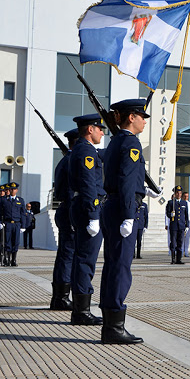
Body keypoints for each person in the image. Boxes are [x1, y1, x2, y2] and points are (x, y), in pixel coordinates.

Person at [100, 98, 159, 344]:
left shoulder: (116, 142)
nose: (145, 121)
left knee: (113, 266)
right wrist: (128, 214)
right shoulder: (131, 143)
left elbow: (123, 177)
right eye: (141, 116)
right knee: (120, 268)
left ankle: (110, 324)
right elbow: (124, 179)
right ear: (131, 117)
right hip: (123, 209)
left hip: (113, 205)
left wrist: (142, 189)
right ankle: (114, 328)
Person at [68, 114, 107, 326]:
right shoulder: (85, 151)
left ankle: (80, 309)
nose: (103, 132)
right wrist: (93, 214)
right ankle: (81, 312)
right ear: (90, 130)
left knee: (82, 259)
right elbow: (87, 183)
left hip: (84, 207)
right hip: (87, 209)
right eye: (100, 128)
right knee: (85, 260)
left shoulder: (84, 149)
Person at [50, 128, 79, 310]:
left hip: (65, 210)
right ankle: (61, 298)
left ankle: (60, 296)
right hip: (70, 211)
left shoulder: (64, 160)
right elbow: (69, 191)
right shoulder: (71, 161)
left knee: (65, 255)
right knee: (68, 256)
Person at [1, 182, 27, 267]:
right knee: (7, 242)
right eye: (11, 189)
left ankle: (14, 260)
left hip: (16, 224)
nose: (12, 190)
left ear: (17, 190)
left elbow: (23, 214)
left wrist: (23, 226)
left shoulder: (20, 200)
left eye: (14, 189)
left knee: (15, 242)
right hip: (7, 223)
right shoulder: (4, 200)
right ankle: (7, 259)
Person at [165, 186, 189, 264]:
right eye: (177, 193)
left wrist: (187, 225)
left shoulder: (184, 203)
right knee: (173, 243)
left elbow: (186, 215)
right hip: (174, 225)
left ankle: (179, 259)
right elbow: (167, 213)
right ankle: (173, 259)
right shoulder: (171, 202)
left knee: (180, 242)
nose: (179, 194)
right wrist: (170, 215)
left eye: (180, 193)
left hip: (181, 225)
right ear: (175, 194)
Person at [181, 192, 190, 257]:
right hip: (182, 222)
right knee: (181, 238)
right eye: (184, 196)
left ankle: (186, 251)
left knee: (187, 238)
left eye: (187, 196)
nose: (186, 197)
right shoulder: (181, 203)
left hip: (189, 222)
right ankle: (181, 251)